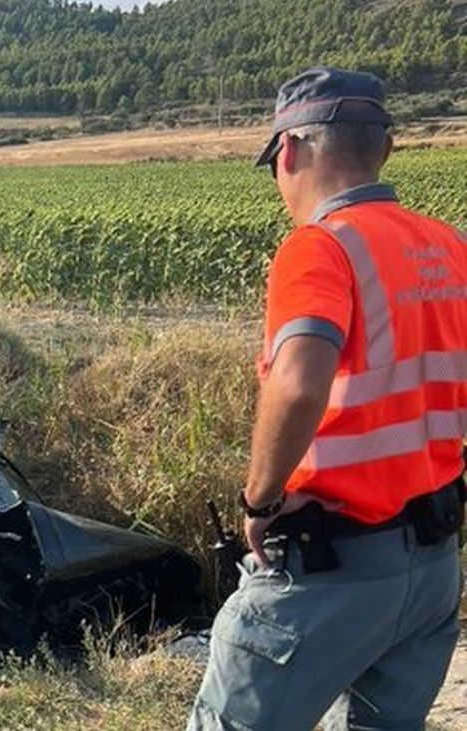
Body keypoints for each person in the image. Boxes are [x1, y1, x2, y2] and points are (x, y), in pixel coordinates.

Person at [188, 67, 467, 730]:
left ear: (290, 151)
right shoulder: (450, 246)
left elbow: (300, 380)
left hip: (328, 567)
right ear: (386, 148)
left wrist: (259, 499)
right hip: (431, 569)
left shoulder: (319, 248)